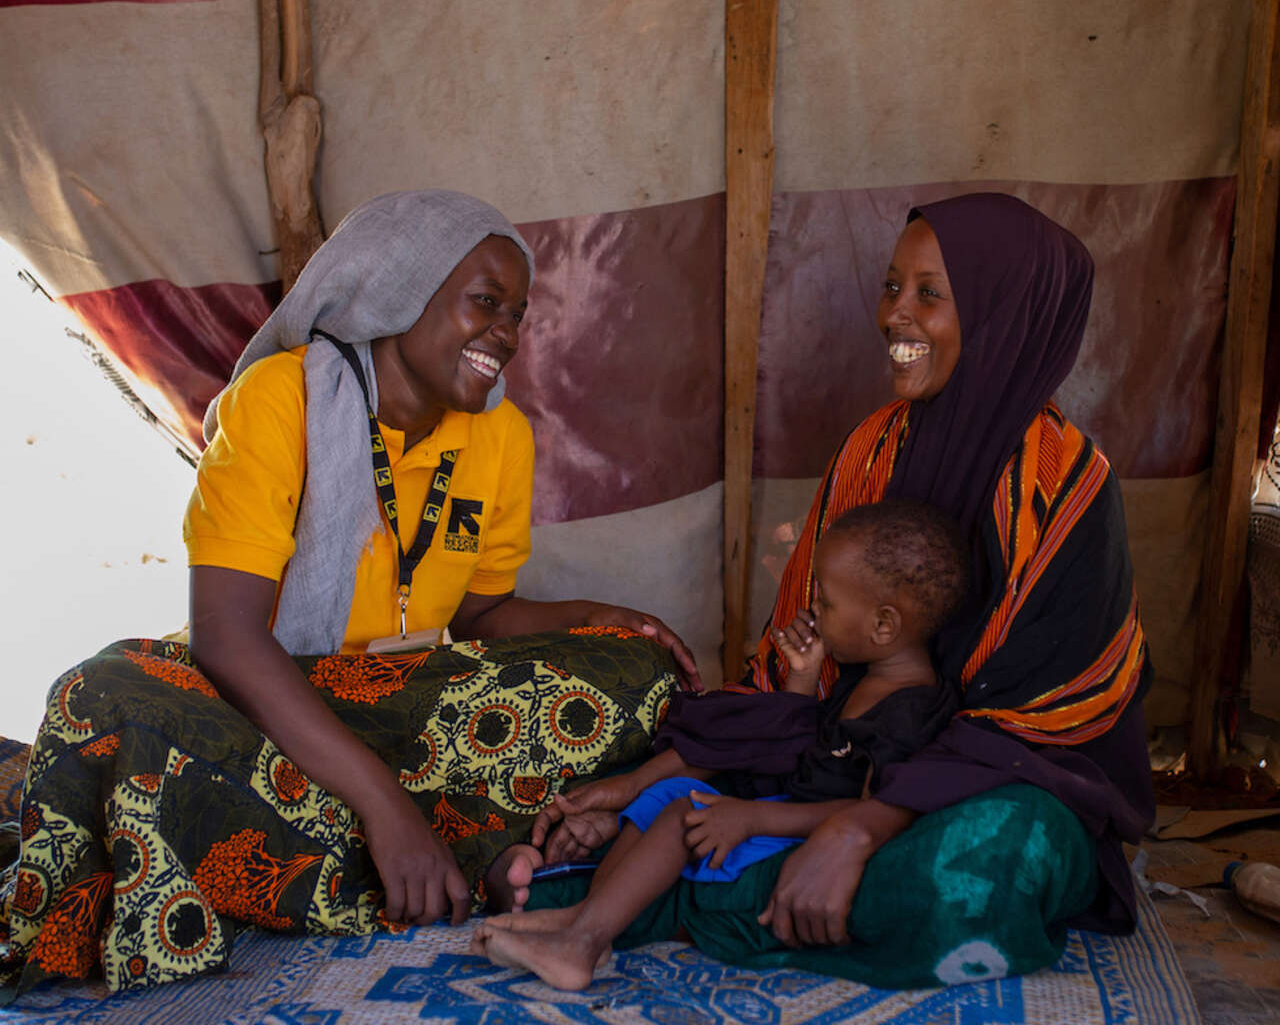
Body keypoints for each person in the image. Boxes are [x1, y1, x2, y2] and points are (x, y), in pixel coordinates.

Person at [0, 190, 702, 1000]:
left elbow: (479, 619)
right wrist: (386, 809)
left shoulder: (500, 435)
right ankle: (454, 849)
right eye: (485, 303)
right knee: (100, 696)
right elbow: (225, 639)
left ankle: (319, 861)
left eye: (517, 313)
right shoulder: (279, 401)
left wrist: (602, 622)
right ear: (396, 290)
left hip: (405, 709)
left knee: (639, 676)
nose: (506, 335)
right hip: (270, 709)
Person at [523, 193, 1153, 989]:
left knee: (980, 866)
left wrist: (862, 825)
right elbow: (802, 673)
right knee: (682, 769)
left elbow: (1039, 727)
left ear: (1005, 313)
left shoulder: (1065, 486)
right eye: (893, 287)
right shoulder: (873, 448)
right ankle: (672, 889)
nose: (896, 315)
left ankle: (663, 898)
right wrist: (656, 777)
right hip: (847, 755)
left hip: (1003, 784)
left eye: (931, 293)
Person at [472, 500, 964, 990]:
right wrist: (803, 679)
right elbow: (797, 748)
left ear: (884, 626)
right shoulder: (863, 678)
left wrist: (752, 817)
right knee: (667, 794)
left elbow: (874, 811)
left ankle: (579, 945)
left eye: (828, 602)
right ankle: (589, 924)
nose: (813, 606)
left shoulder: (910, 708)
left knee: (687, 812)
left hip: (800, 828)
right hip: (787, 806)